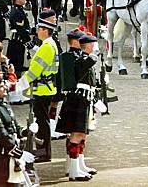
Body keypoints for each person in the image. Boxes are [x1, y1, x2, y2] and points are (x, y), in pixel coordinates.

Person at [16, 10, 59, 163]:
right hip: (45, 88)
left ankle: (44, 152)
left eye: (39, 29)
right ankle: (43, 150)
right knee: (42, 121)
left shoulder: (46, 46)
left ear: (45, 30)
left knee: (42, 122)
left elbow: (34, 71)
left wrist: (18, 86)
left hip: (42, 89)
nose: (37, 32)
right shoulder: (48, 44)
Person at [57, 28, 100, 182]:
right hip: (78, 99)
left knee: (82, 134)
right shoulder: (79, 57)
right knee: (76, 134)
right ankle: (74, 171)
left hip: (85, 99)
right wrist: (93, 56)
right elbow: (80, 68)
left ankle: (78, 166)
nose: (95, 46)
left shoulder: (84, 57)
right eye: (93, 44)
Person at [0, 76, 37, 187]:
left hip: (9, 150)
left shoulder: (4, 105)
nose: (5, 88)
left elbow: (15, 128)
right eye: (1, 87)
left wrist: (28, 130)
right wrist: (19, 153)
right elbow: (1, 134)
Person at [8, 0, 33, 74]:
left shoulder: (19, 10)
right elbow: (21, 30)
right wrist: (29, 43)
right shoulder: (17, 12)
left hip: (18, 41)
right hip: (17, 42)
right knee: (16, 66)